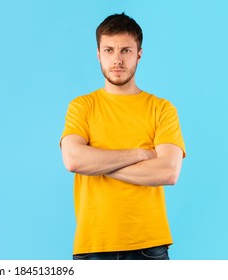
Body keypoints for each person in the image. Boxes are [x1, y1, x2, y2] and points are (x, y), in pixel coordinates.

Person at [60, 13, 185, 260]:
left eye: (126, 50)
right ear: (98, 54)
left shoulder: (161, 108)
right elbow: (74, 160)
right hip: (93, 244)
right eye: (109, 50)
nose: (117, 59)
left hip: (149, 246)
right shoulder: (82, 106)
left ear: (139, 54)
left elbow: (168, 172)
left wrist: (96, 164)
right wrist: (139, 154)